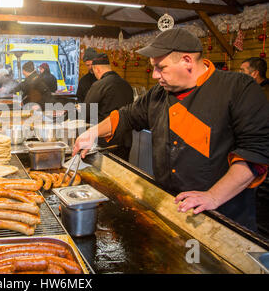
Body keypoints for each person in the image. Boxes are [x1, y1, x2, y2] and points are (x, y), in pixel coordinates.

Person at [73, 28, 269, 231]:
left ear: (187, 61)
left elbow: (255, 152)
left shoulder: (238, 88)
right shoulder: (158, 93)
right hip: (172, 208)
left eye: (161, 68)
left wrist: (213, 196)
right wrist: (91, 133)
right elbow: (126, 116)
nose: (155, 75)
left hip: (223, 216)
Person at [83, 53, 134, 161]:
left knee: (104, 174)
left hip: (106, 141)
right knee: (121, 171)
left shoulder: (99, 85)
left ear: (96, 69)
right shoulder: (126, 84)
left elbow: (86, 111)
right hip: (125, 140)